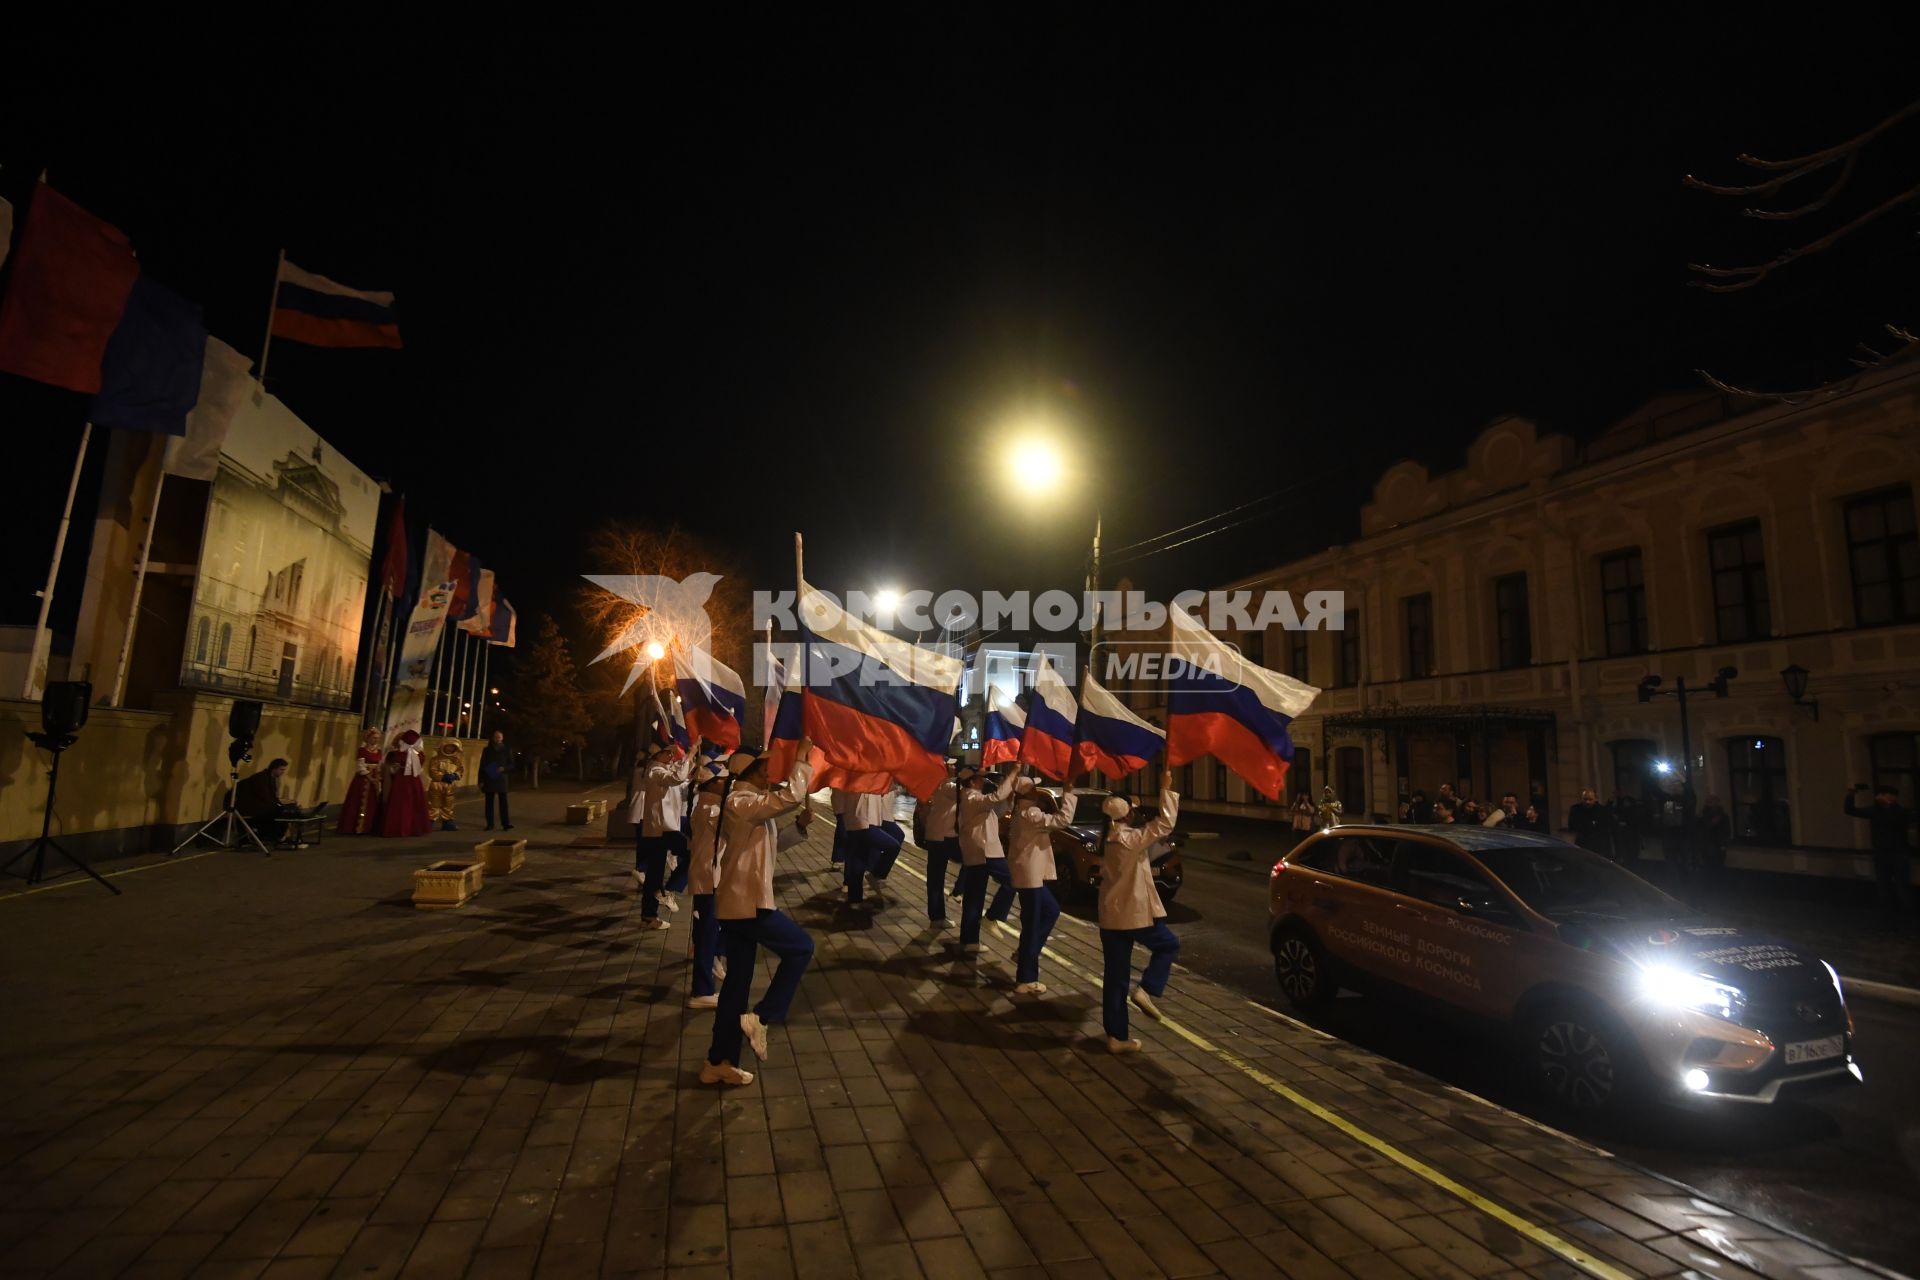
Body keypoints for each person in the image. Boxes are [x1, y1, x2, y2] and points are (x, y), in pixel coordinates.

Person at [702, 741, 817, 1087]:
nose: (773, 772)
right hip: (747, 905)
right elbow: (788, 797)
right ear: (752, 769)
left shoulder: (750, 806)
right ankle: (764, 1016)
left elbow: (771, 844)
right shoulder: (740, 802)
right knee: (801, 948)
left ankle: (718, 1061)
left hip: (741, 905)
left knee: (736, 987)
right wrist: (801, 761)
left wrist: (798, 827)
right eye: (768, 766)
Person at [1098, 769, 1181, 1054]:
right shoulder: (1130, 840)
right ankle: (1147, 989)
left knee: (1115, 977)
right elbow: (1165, 824)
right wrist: (1166, 789)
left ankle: (1116, 1036)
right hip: (1131, 915)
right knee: (1169, 944)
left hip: (1110, 917)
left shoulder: (1107, 838)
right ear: (1127, 815)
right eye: (1132, 810)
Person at [1006, 776, 1080, 995]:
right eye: (1034, 788)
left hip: (1030, 877)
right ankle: (1026, 978)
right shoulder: (1031, 814)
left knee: (1050, 911)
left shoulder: (1024, 812)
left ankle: (1025, 954)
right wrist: (1068, 793)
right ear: (1028, 794)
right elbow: (1062, 820)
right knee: (1033, 923)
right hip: (1030, 878)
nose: (1037, 791)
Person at [628, 737, 703, 928]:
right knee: (693, 853)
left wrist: (692, 777)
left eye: (672, 752)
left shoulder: (661, 771)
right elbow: (675, 779)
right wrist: (691, 753)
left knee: (654, 874)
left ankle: (649, 916)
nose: (671, 755)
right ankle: (670, 889)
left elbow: (679, 785)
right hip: (661, 829)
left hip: (662, 828)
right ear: (656, 755)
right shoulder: (653, 771)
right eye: (667, 752)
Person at [957, 766, 1019, 954]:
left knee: (974, 897)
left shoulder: (974, 799)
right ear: (972, 781)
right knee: (1012, 879)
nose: (983, 781)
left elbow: (996, 809)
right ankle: (992, 916)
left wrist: (1009, 796)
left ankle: (970, 941)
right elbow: (994, 799)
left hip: (978, 852)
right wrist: (1014, 771)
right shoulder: (970, 796)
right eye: (980, 778)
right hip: (984, 851)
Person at [685, 763, 729, 1009]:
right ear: (711, 783)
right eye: (723, 780)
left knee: (710, 930)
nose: (727, 783)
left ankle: (712, 956)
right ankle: (702, 990)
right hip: (709, 878)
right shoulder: (710, 809)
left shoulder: (706, 804)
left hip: (709, 877)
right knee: (708, 933)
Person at [1844, 784, 1916, 930]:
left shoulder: (1900, 812)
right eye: (1887, 794)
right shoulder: (1875, 811)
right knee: (1884, 887)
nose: (1890, 798)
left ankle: (1908, 919)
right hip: (1883, 854)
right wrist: (1851, 795)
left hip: (1898, 854)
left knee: (1901, 887)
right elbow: (1850, 810)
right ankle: (1889, 919)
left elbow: (1902, 819)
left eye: (1891, 795)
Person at [920, 764, 965, 927]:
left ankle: (937, 917)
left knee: (935, 878)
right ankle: (957, 892)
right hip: (944, 837)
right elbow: (963, 793)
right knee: (972, 858)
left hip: (937, 835)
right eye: (950, 765)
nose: (953, 767)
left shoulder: (939, 784)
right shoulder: (947, 786)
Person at [843, 788, 891, 906]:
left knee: (859, 859)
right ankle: (875, 875)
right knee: (892, 846)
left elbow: (885, 789)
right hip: (861, 819)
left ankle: (855, 898)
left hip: (869, 820)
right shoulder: (858, 776)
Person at [379, 730, 431, 837]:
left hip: (401, 781)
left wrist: (394, 769)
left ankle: (398, 827)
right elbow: (418, 768)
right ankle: (413, 828)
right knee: (413, 802)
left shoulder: (395, 755)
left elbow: (392, 769)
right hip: (413, 781)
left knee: (401, 804)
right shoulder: (419, 755)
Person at [237, 758, 298, 846]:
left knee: (286, 808)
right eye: (281, 769)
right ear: (274, 768)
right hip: (250, 807)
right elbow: (265, 797)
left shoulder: (269, 778)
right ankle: (273, 836)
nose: (283, 772)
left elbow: (270, 797)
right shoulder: (261, 778)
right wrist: (280, 803)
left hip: (259, 804)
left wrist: (284, 801)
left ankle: (278, 836)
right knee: (279, 810)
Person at [338, 729, 383, 835]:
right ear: (368, 738)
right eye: (374, 738)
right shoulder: (362, 750)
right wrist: (369, 777)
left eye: (377, 738)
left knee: (373, 802)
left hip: (375, 778)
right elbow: (360, 766)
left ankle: (370, 827)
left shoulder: (379, 751)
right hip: (363, 780)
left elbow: (380, 764)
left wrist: (379, 777)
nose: (376, 740)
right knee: (361, 801)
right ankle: (358, 827)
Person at [1565, 788, 1614, 859]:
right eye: (1585, 799)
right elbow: (1572, 826)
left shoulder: (1603, 811)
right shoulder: (1576, 809)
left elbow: (1607, 829)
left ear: (1596, 799)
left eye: (1590, 799)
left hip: (1600, 847)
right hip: (1583, 844)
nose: (1587, 802)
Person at [426, 741, 464, 832]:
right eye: (448, 747)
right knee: (434, 805)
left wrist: (455, 775)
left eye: (452, 747)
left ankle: (447, 822)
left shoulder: (456, 760)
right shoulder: (435, 759)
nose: (450, 749)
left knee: (448, 804)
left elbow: (460, 770)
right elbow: (432, 771)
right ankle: (428, 822)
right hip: (437, 785)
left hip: (450, 786)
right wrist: (443, 776)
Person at [479, 730, 513, 831]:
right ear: (493, 738)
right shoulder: (487, 750)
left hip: (502, 779)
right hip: (489, 777)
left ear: (502, 738)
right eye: (495, 737)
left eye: (499, 737)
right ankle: (490, 824)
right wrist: (480, 780)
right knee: (489, 803)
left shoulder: (507, 749)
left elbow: (511, 764)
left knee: (503, 803)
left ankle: (505, 824)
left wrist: (504, 768)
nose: (497, 739)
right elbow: (482, 765)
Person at [1698, 794, 1732, 892]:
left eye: (1713, 802)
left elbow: (1726, 831)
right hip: (1708, 847)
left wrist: (1724, 844)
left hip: (1717, 847)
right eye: (1709, 802)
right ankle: (1711, 888)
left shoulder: (1723, 816)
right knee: (1709, 869)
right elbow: (1701, 830)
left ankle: (1717, 888)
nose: (1711, 804)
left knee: (1717, 868)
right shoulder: (1703, 816)